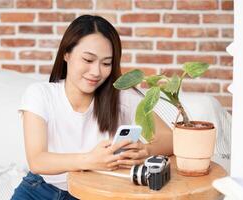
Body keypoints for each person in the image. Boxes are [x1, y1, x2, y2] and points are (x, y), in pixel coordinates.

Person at [11, 15, 173, 200]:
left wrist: (146, 151)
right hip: (39, 190)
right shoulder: (40, 94)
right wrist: (91, 160)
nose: (96, 72)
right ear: (66, 54)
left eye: (106, 63)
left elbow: (170, 138)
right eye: (88, 60)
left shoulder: (122, 96)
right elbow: (37, 160)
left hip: (93, 193)